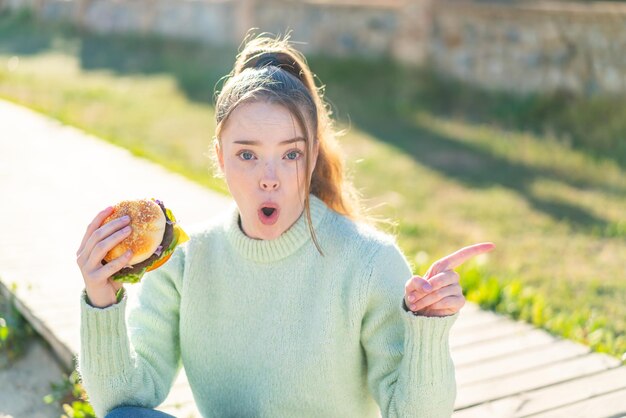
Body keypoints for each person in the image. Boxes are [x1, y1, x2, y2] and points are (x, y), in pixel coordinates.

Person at [75, 33, 494, 418]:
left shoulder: (370, 262)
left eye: (290, 155)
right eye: (247, 155)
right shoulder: (184, 261)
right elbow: (124, 401)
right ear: (220, 158)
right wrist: (101, 300)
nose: (269, 177)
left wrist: (430, 329)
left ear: (311, 157)